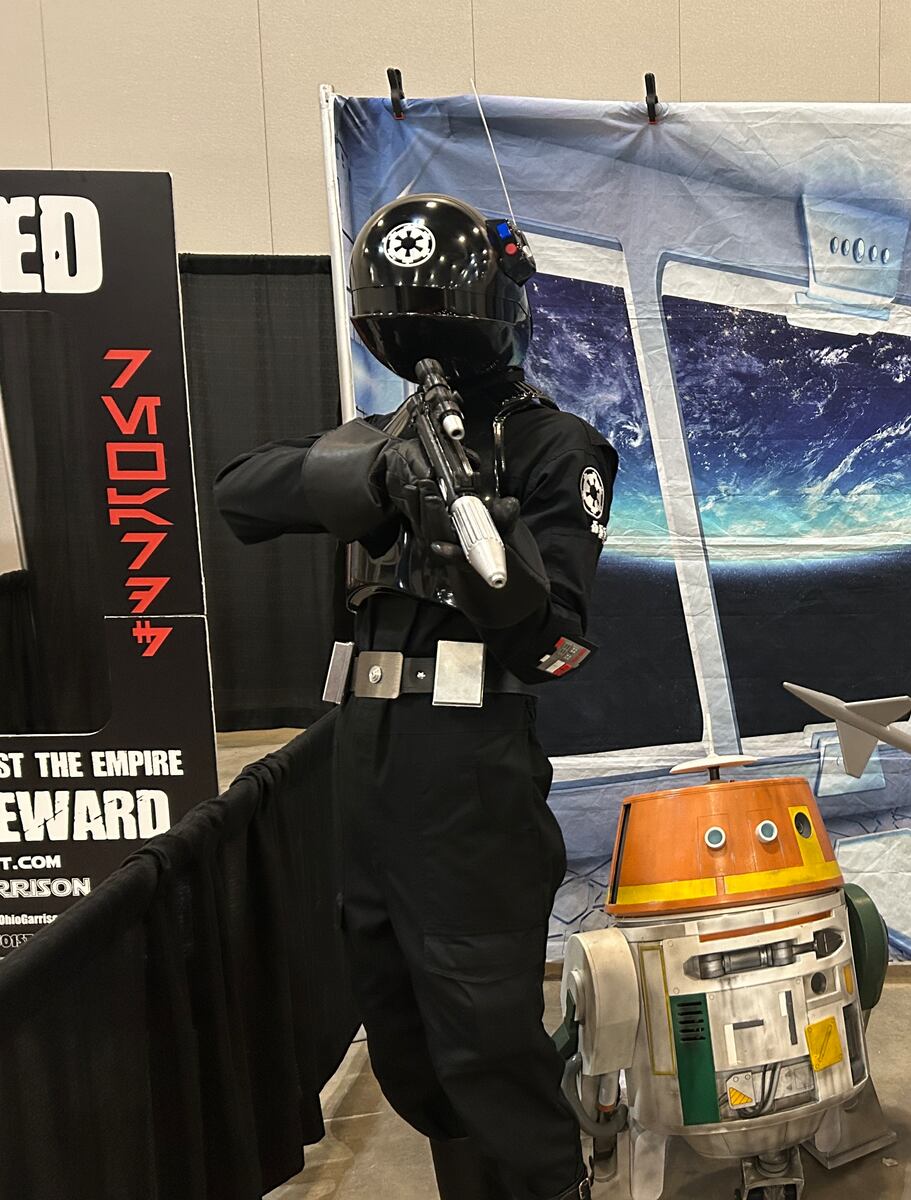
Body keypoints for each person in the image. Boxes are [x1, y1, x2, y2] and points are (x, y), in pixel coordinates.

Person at [215, 194, 617, 1200]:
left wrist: (476, 529)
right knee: (398, 1029)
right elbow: (239, 492)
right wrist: (380, 472)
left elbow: (554, 636)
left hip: (468, 762)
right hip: (362, 757)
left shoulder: (555, 444)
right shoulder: (376, 434)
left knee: (481, 1031)